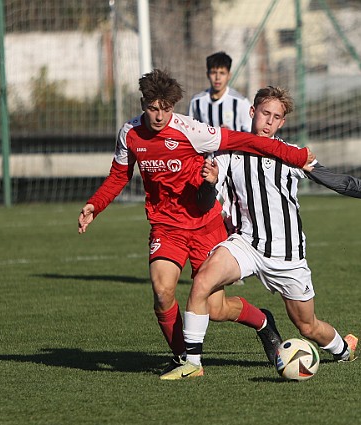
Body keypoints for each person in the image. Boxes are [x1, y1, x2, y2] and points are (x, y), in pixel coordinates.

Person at [160, 85, 361, 380]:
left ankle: (343, 348)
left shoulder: (290, 154)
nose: (268, 121)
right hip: (247, 245)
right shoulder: (228, 152)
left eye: (276, 117)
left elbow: (337, 181)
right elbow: (204, 201)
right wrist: (209, 182)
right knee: (202, 281)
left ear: (282, 122)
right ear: (252, 112)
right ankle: (192, 364)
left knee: (308, 327)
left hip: (287, 255)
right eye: (264, 113)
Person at [77, 70, 314, 377]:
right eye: (152, 108)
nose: (159, 115)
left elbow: (245, 141)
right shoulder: (130, 133)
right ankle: (183, 360)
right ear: (143, 104)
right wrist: (96, 204)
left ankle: (263, 321)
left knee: (215, 309)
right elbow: (119, 175)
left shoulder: (191, 130)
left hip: (206, 225)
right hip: (166, 227)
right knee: (162, 292)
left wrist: (295, 155)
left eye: (166, 108)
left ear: (173, 107)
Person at [189, 50, 252, 285]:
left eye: (222, 73)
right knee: (212, 211)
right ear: (208, 74)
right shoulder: (197, 102)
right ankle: (215, 262)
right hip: (207, 166)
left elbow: (250, 135)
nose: (217, 77)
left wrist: (232, 135)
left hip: (234, 165)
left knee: (234, 213)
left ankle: (236, 263)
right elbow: (190, 133)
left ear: (229, 75)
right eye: (214, 73)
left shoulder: (240, 102)